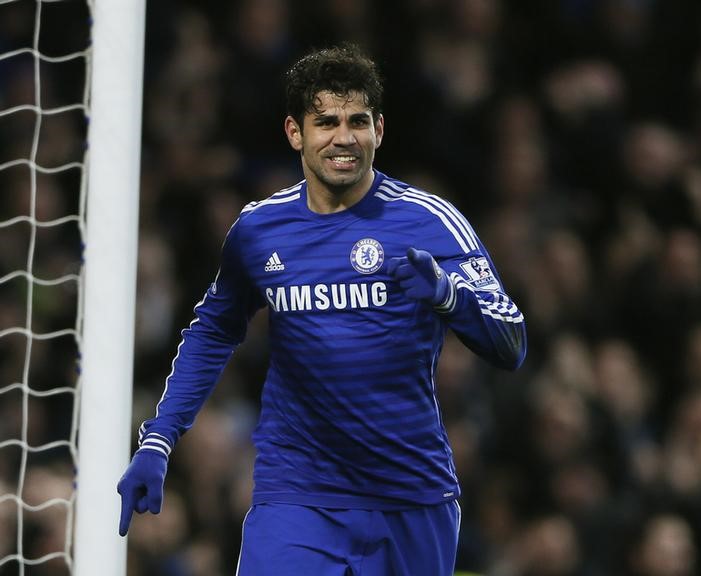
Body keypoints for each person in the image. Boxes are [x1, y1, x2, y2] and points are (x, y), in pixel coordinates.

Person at [117, 43, 527, 576]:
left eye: (358, 120)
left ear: (379, 129)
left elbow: (510, 343)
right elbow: (214, 332)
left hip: (410, 495)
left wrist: (449, 296)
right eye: (326, 121)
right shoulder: (259, 231)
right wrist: (159, 438)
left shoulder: (431, 223)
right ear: (295, 133)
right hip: (298, 494)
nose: (343, 137)